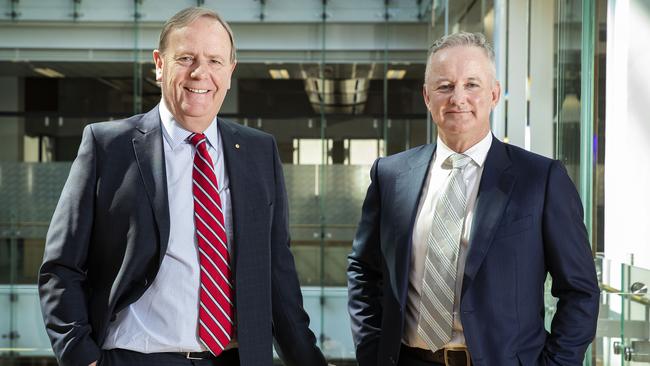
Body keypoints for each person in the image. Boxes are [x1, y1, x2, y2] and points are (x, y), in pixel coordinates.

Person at [38, 7, 327, 366]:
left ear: (230, 71)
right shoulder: (108, 146)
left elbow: (278, 278)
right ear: (159, 64)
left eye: (215, 60)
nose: (200, 73)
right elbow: (61, 267)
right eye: (186, 58)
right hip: (137, 357)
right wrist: (82, 357)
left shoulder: (259, 151)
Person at [347, 32, 599, 366]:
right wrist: (372, 353)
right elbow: (363, 270)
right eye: (445, 86)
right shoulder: (391, 175)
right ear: (427, 96)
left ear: (494, 94)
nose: (458, 98)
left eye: (472, 85)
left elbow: (580, 291)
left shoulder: (541, 179)